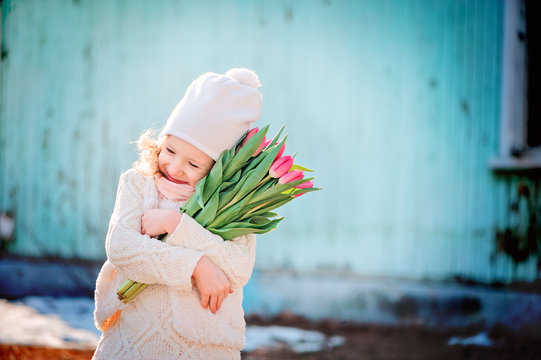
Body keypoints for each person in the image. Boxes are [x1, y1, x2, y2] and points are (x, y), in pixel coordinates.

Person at [92, 68, 263, 359]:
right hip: (133, 342)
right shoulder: (139, 183)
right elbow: (122, 248)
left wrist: (177, 224)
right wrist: (197, 266)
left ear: (218, 168)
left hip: (205, 349)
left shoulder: (233, 204)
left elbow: (238, 268)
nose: (174, 168)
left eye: (193, 165)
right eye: (169, 150)